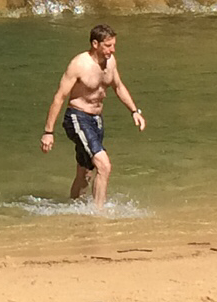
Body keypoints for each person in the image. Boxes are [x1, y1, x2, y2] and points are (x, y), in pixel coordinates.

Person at [41, 23, 145, 204]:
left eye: (114, 45)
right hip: (77, 117)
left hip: (97, 120)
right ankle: (99, 215)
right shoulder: (79, 65)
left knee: (85, 172)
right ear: (95, 44)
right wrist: (48, 132)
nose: (112, 50)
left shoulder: (111, 62)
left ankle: (73, 208)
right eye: (108, 46)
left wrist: (134, 111)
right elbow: (59, 97)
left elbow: (118, 86)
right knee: (104, 166)